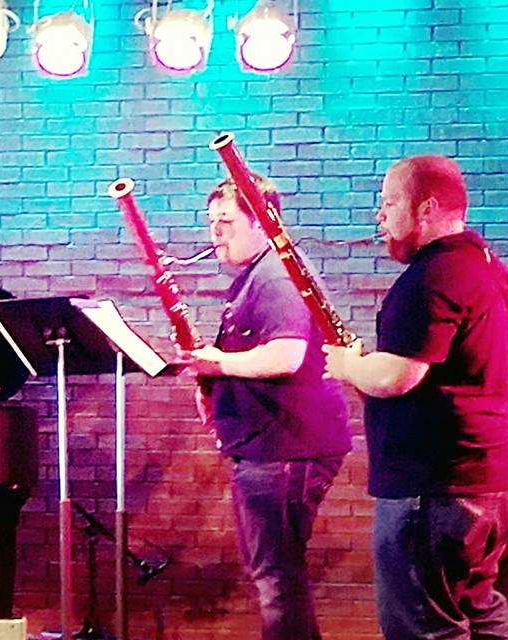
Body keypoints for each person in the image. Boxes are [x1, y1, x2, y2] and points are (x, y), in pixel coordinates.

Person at [323, 155, 508, 640]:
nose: (380, 216)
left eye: (390, 203)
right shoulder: (490, 269)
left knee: (423, 626)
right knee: (480, 609)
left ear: (427, 208)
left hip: (437, 485)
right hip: (494, 481)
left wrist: (348, 364)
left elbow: (397, 376)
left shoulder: (431, 277)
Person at [184, 173, 351, 640]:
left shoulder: (276, 274)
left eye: (226, 221)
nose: (216, 233)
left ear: (262, 221)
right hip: (275, 447)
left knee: (277, 580)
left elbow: (286, 355)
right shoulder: (261, 273)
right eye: (211, 222)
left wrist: (219, 364)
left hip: (286, 449)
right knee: (279, 576)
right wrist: (214, 382)